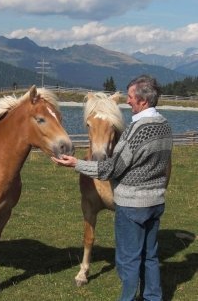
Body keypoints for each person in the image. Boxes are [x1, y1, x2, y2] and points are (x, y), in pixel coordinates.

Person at [52, 75, 173, 301]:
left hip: (132, 205)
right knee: (151, 256)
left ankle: (127, 298)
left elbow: (112, 169)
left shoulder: (137, 131)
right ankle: (153, 297)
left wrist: (75, 163)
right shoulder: (164, 126)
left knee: (127, 259)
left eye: (131, 97)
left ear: (143, 101)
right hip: (156, 202)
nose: (127, 102)